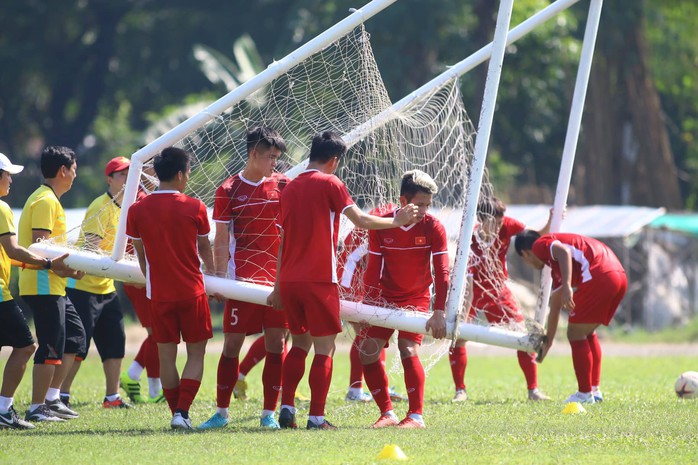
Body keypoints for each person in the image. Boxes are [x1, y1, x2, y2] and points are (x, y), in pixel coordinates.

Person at [267, 131, 418, 430]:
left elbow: (281, 240)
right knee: (325, 349)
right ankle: (316, 418)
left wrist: (277, 285)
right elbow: (361, 220)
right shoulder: (331, 182)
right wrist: (396, 221)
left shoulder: (290, 187)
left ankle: (286, 406)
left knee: (299, 346)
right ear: (334, 161)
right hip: (319, 278)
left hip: (291, 280)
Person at [198, 127, 290, 430]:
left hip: (276, 284)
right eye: (271, 157)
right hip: (241, 283)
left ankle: (268, 415)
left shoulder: (283, 185)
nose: (275, 163)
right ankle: (221, 413)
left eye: (278, 157)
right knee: (232, 345)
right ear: (253, 154)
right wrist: (219, 279)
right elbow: (221, 237)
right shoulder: (229, 189)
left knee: (276, 344)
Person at [126, 146, 217, 430]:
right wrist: (213, 276)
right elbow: (204, 248)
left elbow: (141, 257)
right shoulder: (195, 207)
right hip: (192, 292)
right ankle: (183, 412)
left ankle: (176, 414)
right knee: (196, 354)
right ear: (180, 174)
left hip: (159, 295)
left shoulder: (136, 209)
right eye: (188, 172)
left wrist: (154, 277)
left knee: (166, 356)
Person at [358, 170, 449, 429]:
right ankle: (387, 413)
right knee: (367, 352)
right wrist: (368, 301)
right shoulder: (381, 224)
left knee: (408, 349)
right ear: (402, 201)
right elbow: (373, 268)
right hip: (385, 299)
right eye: (419, 204)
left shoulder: (434, 227)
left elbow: (442, 272)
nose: (423, 210)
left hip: (417, 299)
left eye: (427, 205)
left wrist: (439, 311)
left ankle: (416, 416)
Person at [449, 198, 551, 402]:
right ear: (481, 220)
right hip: (473, 290)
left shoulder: (508, 224)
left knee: (523, 336)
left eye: (500, 221)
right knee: (458, 336)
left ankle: (533, 390)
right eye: (494, 222)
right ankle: (460, 390)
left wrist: (551, 219)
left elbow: (535, 238)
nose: (499, 226)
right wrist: (465, 314)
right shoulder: (469, 237)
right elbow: (468, 284)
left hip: (498, 289)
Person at [0, 153, 74, 429]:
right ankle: (10, 408)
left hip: (23, 285)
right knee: (28, 345)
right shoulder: (4, 208)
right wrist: (47, 264)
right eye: (7, 174)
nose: (11, 180)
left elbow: (11, 256)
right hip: (12, 290)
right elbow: (16, 249)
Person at [514, 230, 627, 404]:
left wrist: (567, 286)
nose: (528, 263)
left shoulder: (539, 245)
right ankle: (594, 391)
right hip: (618, 276)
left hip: (600, 275)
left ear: (525, 253)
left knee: (575, 333)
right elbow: (555, 307)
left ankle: (584, 394)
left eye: (524, 260)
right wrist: (548, 342)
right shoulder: (557, 268)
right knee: (586, 332)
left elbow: (563, 251)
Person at [19, 146, 86, 422]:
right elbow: (40, 247)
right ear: (63, 171)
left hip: (54, 284)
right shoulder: (45, 200)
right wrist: (68, 270)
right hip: (42, 284)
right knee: (50, 348)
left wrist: (70, 272)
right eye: (74, 169)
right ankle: (37, 408)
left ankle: (52, 398)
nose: (75, 175)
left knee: (75, 339)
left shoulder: (51, 199)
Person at [60, 157, 132, 409]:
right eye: (121, 175)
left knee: (115, 343)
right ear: (109, 179)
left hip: (107, 289)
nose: (126, 179)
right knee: (77, 347)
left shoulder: (126, 209)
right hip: (83, 289)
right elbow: (91, 248)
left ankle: (112, 397)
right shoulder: (100, 207)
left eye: (130, 174)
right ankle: (61, 395)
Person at [336, 204, 405, 404]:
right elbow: (351, 261)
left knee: (372, 334)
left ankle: (368, 387)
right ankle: (355, 389)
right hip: (348, 284)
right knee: (366, 334)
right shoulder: (375, 229)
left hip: (361, 285)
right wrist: (347, 295)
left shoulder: (388, 224)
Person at [120, 165, 163, 404]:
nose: (153, 176)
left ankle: (148, 385)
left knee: (156, 333)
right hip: (139, 275)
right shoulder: (137, 201)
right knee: (157, 332)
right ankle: (137, 378)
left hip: (142, 274)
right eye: (150, 171)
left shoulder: (138, 199)